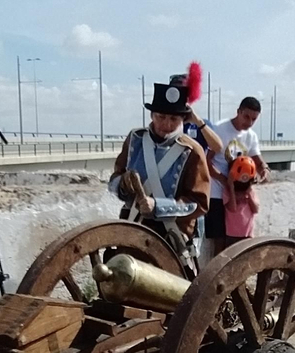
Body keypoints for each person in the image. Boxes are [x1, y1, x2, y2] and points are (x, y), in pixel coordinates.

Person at [109, 81, 213, 266]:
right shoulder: (135, 140)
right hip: (133, 225)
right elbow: (114, 179)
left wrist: (158, 206)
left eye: (174, 119)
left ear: (182, 119)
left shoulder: (193, 151)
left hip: (171, 235)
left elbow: (199, 203)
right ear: (152, 115)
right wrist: (123, 184)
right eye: (161, 117)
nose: (166, 124)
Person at [206, 97, 267, 254]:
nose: (249, 122)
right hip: (217, 193)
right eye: (246, 117)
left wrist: (264, 169)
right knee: (219, 240)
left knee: (241, 243)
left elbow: (257, 160)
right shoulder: (219, 129)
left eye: (254, 119)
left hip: (239, 198)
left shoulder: (251, 136)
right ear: (238, 112)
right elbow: (206, 161)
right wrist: (225, 180)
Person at [223, 156, 261, 244]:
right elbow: (232, 208)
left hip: (247, 234)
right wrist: (231, 188)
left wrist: (249, 194)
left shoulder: (250, 191)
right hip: (232, 234)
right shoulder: (227, 191)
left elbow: (255, 210)